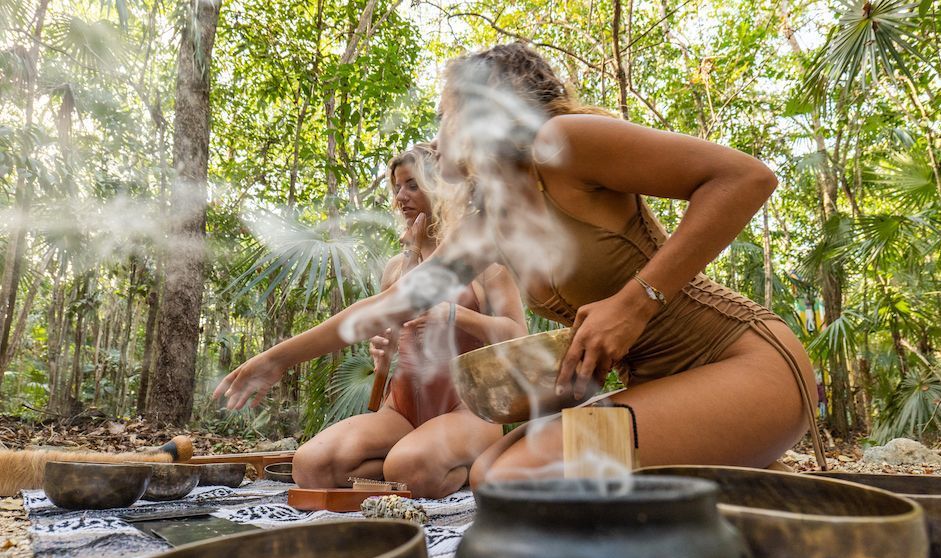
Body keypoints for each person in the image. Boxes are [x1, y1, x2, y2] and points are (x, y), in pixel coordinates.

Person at [419, 42, 826, 481]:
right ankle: (756, 495)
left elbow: (748, 178)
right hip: (662, 391)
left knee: (515, 479)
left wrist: (635, 304)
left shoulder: (562, 141)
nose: (435, 136)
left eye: (445, 115)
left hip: (745, 366)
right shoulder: (501, 213)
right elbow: (401, 298)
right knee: (487, 473)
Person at [213, 144, 527, 498]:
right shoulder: (396, 267)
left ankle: (442, 463)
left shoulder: (485, 260)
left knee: (409, 468)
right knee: (311, 465)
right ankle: (413, 464)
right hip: (402, 412)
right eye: (396, 188)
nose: (400, 198)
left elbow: (517, 333)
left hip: (466, 409)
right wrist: (384, 355)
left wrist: (455, 313)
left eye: (412, 186)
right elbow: (383, 340)